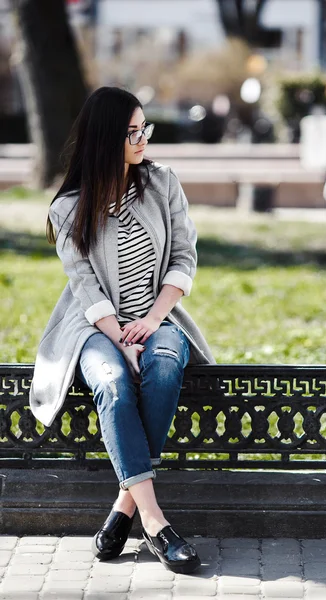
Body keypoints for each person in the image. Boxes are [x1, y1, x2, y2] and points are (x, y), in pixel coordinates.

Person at [29, 86, 215, 573]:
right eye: (132, 131)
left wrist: (152, 322)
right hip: (92, 328)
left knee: (164, 363)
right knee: (113, 383)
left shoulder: (162, 183)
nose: (142, 138)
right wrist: (118, 338)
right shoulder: (68, 207)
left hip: (159, 318)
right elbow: (85, 286)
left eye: (144, 128)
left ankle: (125, 506)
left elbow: (184, 256)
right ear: (107, 136)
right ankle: (156, 522)